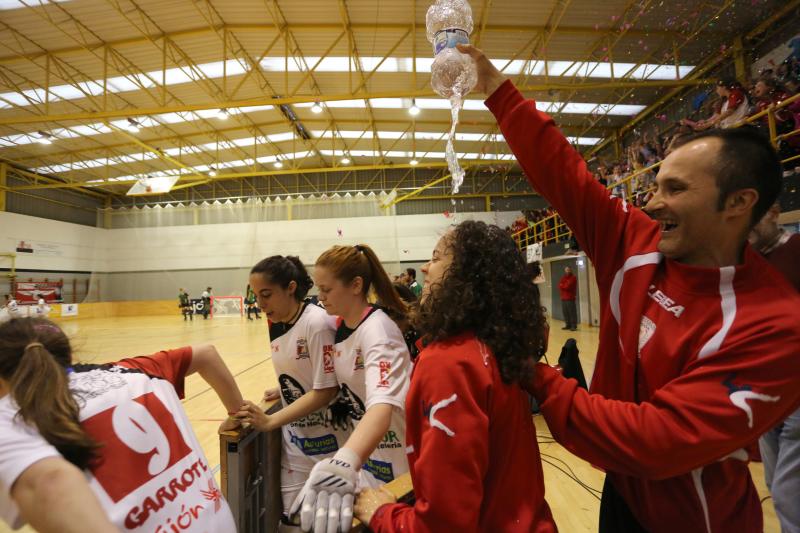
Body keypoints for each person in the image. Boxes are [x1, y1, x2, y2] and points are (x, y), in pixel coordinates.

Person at [459, 43, 800, 532]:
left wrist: (537, 375)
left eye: (675, 189)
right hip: (620, 494)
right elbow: (565, 175)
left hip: (693, 518)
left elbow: (656, 441)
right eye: (656, 185)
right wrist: (497, 91)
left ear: (738, 202)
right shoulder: (636, 241)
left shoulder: (775, 328)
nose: (652, 201)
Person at [353, 220, 556, 532]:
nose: (424, 268)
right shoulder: (494, 345)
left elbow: (443, 524)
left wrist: (382, 514)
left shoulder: (450, 364)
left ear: (465, 276)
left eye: (435, 258)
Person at [0, 317, 245, 531]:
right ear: (68, 354)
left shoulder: (13, 416)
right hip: (217, 521)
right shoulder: (132, 370)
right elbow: (205, 353)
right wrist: (237, 413)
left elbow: (48, 483)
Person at [289, 244, 411, 533]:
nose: (320, 297)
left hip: (400, 460)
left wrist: (344, 460)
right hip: (371, 459)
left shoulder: (378, 331)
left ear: (356, 285)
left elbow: (382, 406)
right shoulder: (341, 325)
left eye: (327, 289)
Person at [236, 256, 347, 531]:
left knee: (329, 523)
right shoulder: (275, 322)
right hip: (297, 443)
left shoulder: (317, 323)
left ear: (291, 287)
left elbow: (326, 389)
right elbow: (307, 371)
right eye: (256, 296)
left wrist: (271, 420)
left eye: (266, 295)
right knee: (291, 521)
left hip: (332, 443)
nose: (260, 304)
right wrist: (287, 385)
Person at [749, 203, 800, 532]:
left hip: (797, 391)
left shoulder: (796, 251)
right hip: (763, 392)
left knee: (787, 491)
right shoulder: (746, 262)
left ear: (773, 212)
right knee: (773, 481)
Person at [558, 266, 578, 331]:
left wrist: (562, 285)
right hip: (563, 298)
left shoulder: (573, 278)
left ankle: (573, 326)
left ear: (571, 270)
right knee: (565, 312)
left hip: (570, 298)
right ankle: (568, 325)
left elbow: (567, 286)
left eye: (568, 270)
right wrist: (563, 285)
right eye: (566, 270)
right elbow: (559, 285)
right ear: (565, 271)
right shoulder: (563, 278)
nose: (567, 271)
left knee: (572, 312)